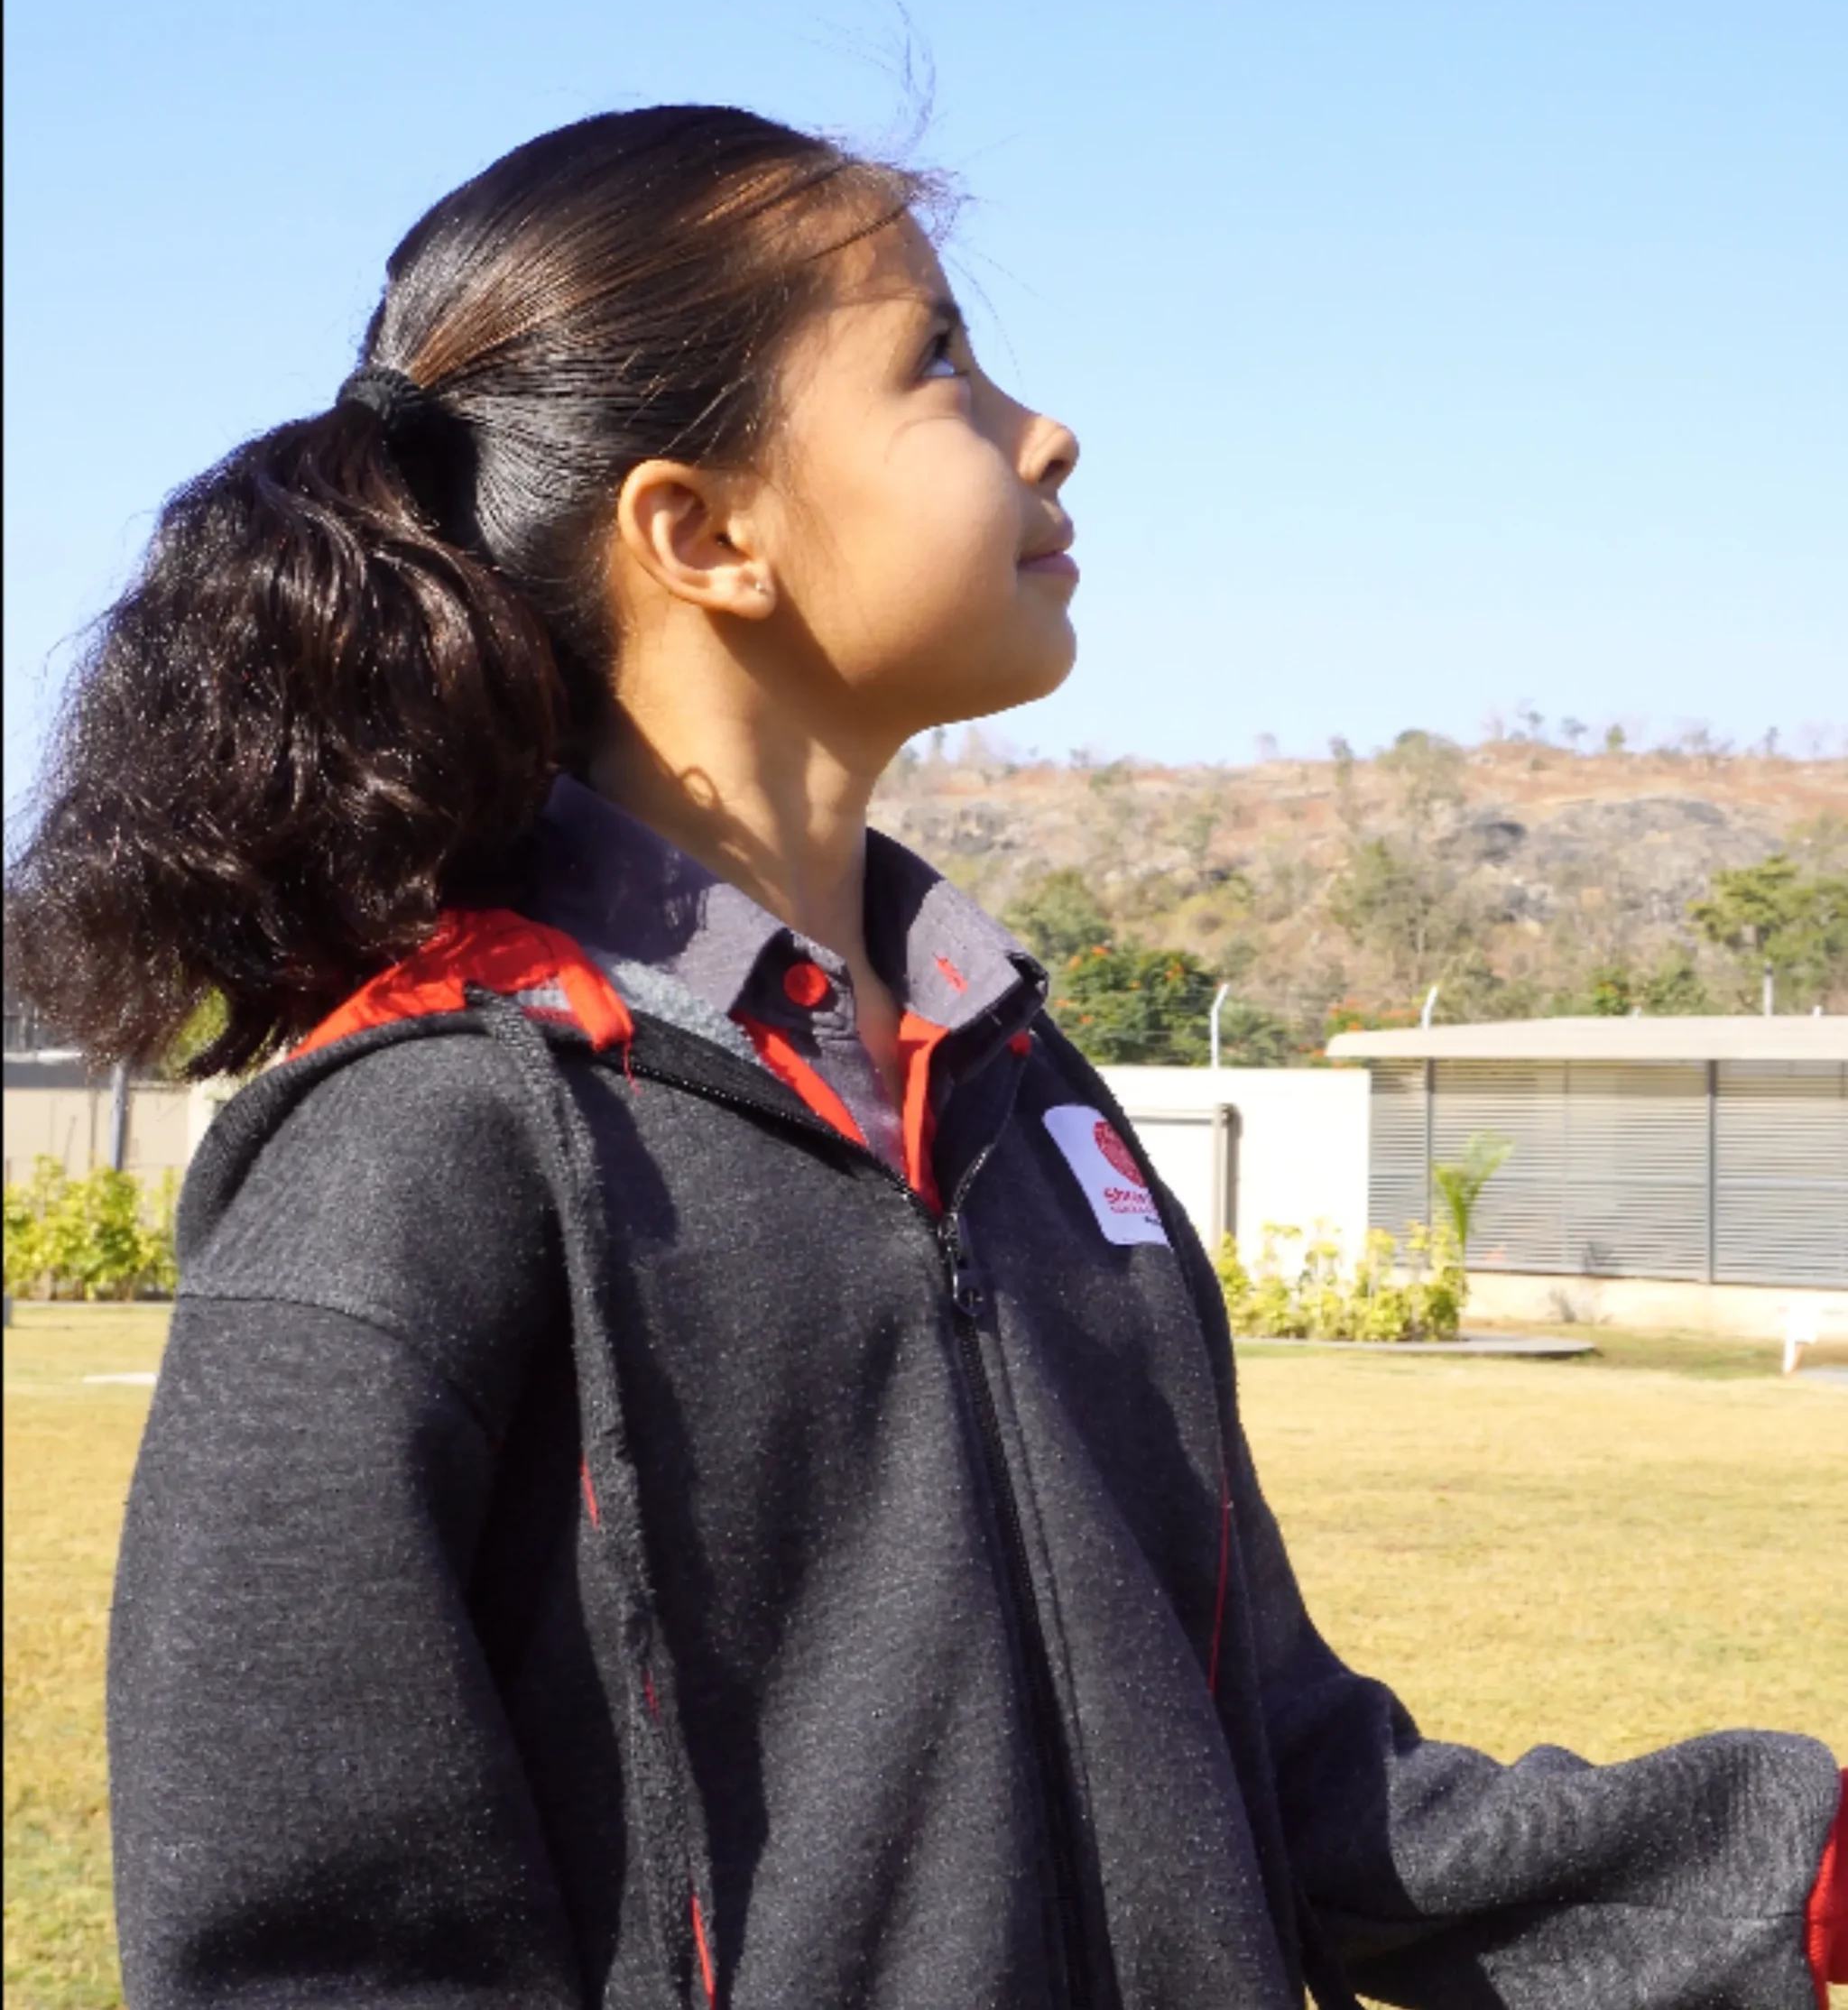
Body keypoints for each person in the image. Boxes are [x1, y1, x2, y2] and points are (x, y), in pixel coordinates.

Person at [10, 106, 1843, 2010]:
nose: (1045, 430)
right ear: (702, 530)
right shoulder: (430, 1132)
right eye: (937, 359)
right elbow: (309, 1954)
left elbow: (1281, 1773)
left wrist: (1784, 1871)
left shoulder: (1024, 1088)